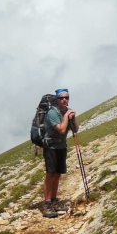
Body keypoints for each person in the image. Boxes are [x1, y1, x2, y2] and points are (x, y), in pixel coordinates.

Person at [41, 88, 78, 218]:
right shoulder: (52, 112)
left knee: (57, 175)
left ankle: (54, 200)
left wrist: (73, 118)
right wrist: (67, 117)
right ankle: (47, 204)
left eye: (66, 97)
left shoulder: (67, 111)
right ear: (57, 100)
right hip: (51, 147)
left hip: (61, 146)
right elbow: (62, 130)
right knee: (50, 175)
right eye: (61, 98)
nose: (64, 100)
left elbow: (75, 129)